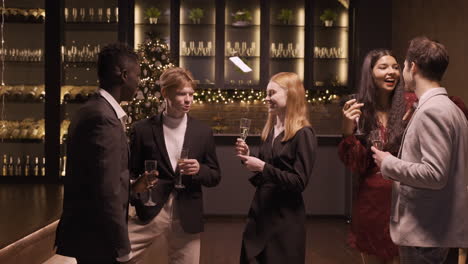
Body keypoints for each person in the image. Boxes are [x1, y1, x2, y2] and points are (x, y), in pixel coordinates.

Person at [372, 36, 468, 263]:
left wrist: (388, 163)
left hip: (426, 234)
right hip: (436, 231)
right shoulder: (448, 108)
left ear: (412, 67)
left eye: (403, 65)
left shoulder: (432, 111)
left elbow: (435, 174)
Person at [55, 43, 144, 264]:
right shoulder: (103, 118)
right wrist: (123, 250)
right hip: (99, 239)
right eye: (138, 74)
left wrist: (131, 187)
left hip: (92, 236)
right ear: (124, 75)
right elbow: (107, 189)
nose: (139, 81)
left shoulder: (93, 108)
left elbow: (98, 178)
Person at [127, 67, 221, 264]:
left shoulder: (203, 132)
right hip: (150, 209)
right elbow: (131, 171)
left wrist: (199, 170)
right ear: (165, 93)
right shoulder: (142, 129)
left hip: (187, 213)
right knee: (121, 256)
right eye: (181, 93)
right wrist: (137, 194)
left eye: (191, 94)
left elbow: (215, 176)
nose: (188, 99)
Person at [339, 49, 417, 264]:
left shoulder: (412, 103)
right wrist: (347, 128)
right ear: (370, 73)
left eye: (395, 67)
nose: (391, 72)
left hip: (407, 199)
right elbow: (354, 163)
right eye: (383, 67)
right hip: (372, 202)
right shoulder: (359, 109)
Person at [235, 72, 317, 264]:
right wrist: (250, 159)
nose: (266, 98)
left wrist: (262, 167)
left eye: (272, 93)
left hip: (285, 219)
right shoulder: (271, 131)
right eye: (266, 93)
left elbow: (298, 182)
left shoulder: (304, 133)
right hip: (261, 212)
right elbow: (267, 175)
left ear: (291, 94)